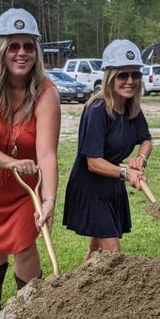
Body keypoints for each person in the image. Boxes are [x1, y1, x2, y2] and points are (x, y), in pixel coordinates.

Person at [0, 8, 60, 318]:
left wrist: (49, 200)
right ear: (1, 49)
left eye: (28, 46)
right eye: (13, 46)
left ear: (37, 50)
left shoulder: (47, 92)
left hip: (25, 189)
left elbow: (47, 154)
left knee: (24, 243)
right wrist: (11, 163)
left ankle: (30, 313)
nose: (22, 53)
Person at [62, 39, 152, 259]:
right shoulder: (97, 110)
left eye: (135, 75)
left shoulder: (132, 109)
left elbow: (147, 139)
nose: (130, 81)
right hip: (90, 188)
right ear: (110, 78)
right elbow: (93, 162)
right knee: (112, 251)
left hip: (112, 188)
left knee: (96, 249)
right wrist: (126, 172)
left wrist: (140, 159)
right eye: (123, 75)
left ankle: (81, 289)